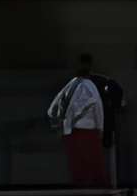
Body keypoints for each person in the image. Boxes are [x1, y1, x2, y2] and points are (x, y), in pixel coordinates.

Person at [46, 53, 109, 187]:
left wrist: (62, 127)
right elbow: (97, 108)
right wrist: (100, 128)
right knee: (95, 170)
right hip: (87, 132)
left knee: (78, 170)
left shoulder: (70, 86)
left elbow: (53, 108)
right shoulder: (88, 86)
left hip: (71, 132)